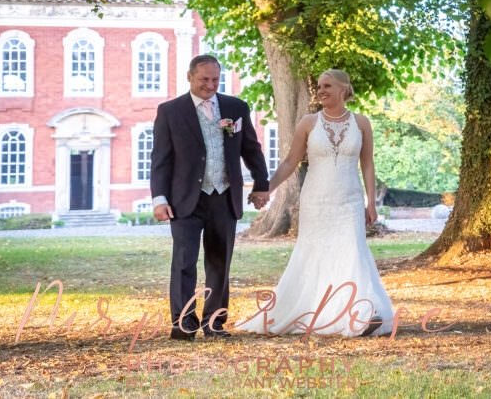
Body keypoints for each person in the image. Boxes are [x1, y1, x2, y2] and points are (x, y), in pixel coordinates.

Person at [235, 69, 394, 337]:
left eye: (327, 86)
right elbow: (289, 162)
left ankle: (360, 315)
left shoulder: (361, 123)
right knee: (314, 253)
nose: (320, 91)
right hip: (316, 200)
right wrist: (266, 189)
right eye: (319, 86)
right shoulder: (308, 123)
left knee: (352, 251)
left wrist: (371, 202)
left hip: (349, 200)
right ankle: (314, 311)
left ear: (344, 89)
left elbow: (367, 164)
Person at [150, 54, 270, 340]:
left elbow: (251, 149)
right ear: (189, 77)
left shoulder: (235, 108)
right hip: (184, 199)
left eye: (215, 79)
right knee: (184, 261)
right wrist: (159, 198)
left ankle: (214, 323)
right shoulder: (170, 111)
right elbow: (161, 160)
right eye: (204, 79)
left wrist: (261, 184)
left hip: (224, 197)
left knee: (219, 263)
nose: (210, 85)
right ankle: (183, 323)